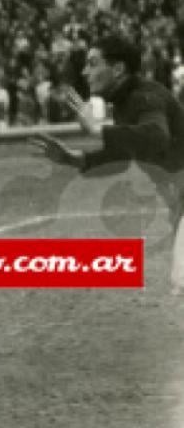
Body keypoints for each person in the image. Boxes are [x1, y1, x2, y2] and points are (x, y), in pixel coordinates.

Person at [30, 35, 184, 291]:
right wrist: (73, 159)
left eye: (92, 63)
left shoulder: (145, 96)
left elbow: (156, 137)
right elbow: (122, 157)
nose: (84, 71)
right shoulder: (127, 102)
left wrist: (96, 129)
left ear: (118, 69)